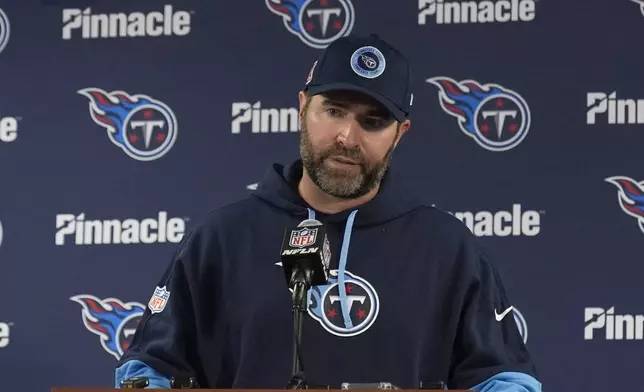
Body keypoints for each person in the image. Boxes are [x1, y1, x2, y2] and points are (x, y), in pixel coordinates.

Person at [115, 33, 542, 391]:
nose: (347, 137)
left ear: (400, 133)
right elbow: (150, 368)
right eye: (334, 111)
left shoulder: (447, 247)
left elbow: (504, 377)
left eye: (372, 121)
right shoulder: (220, 238)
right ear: (303, 106)